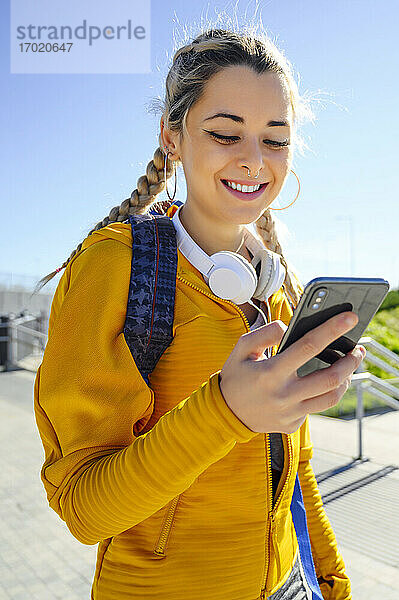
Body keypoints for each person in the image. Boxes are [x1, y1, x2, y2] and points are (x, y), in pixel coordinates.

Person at [33, 23, 365, 600]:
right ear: (172, 136)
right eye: (225, 133)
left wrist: (333, 585)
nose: (254, 161)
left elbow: (296, 474)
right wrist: (225, 411)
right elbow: (85, 510)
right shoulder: (115, 267)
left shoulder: (277, 288)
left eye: (276, 139)